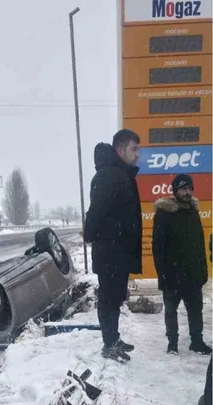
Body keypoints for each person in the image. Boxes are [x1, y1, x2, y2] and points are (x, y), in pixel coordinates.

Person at [84, 129, 142, 362]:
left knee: (116, 297)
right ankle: (109, 345)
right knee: (108, 298)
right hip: (110, 252)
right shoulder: (109, 175)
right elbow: (96, 211)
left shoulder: (120, 174)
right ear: (120, 150)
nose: (138, 154)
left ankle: (114, 339)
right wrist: (90, 234)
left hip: (119, 250)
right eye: (134, 149)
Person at [152, 174, 211, 355]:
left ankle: (197, 342)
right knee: (171, 311)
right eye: (183, 189)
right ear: (175, 191)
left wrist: (203, 271)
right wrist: (162, 274)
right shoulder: (164, 213)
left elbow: (200, 244)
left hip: (193, 274)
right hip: (172, 274)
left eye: (189, 189)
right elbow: (158, 248)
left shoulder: (193, 212)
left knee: (196, 310)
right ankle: (172, 344)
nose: (187, 192)